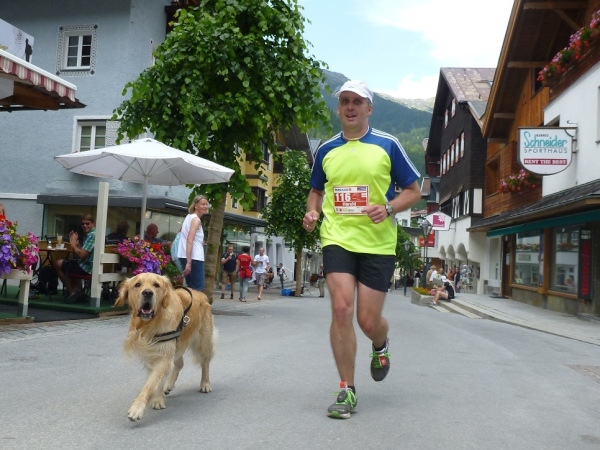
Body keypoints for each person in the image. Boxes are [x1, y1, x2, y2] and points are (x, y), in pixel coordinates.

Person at [303, 80, 421, 419]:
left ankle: (380, 343)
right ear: (339, 108)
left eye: (357, 101)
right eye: (344, 101)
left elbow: (414, 191)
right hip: (337, 237)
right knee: (341, 309)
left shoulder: (388, 144)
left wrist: (388, 208)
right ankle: (347, 389)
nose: (350, 107)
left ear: (369, 108)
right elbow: (316, 191)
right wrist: (312, 212)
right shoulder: (326, 150)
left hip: (377, 243)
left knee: (368, 322)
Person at [54, 215, 96, 303]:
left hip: (87, 268)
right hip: (88, 265)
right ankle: (77, 291)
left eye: (87, 223)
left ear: (93, 224)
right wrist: (76, 244)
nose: (85, 226)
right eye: (83, 224)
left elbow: (82, 255)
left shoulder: (92, 235)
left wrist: (73, 244)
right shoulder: (90, 234)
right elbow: (82, 251)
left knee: (58, 264)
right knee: (71, 263)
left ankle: (72, 293)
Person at [177, 196, 208, 291]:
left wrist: (199, 241)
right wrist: (189, 262)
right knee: (198, 289)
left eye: (206, 204)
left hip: (184, 255)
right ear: (196, 205)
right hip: (194, 257)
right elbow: (189, 240)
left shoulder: (188, 217)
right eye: (203, 204)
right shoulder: (196, 220)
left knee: (191, 288)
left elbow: (182, 233)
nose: (205, 206)